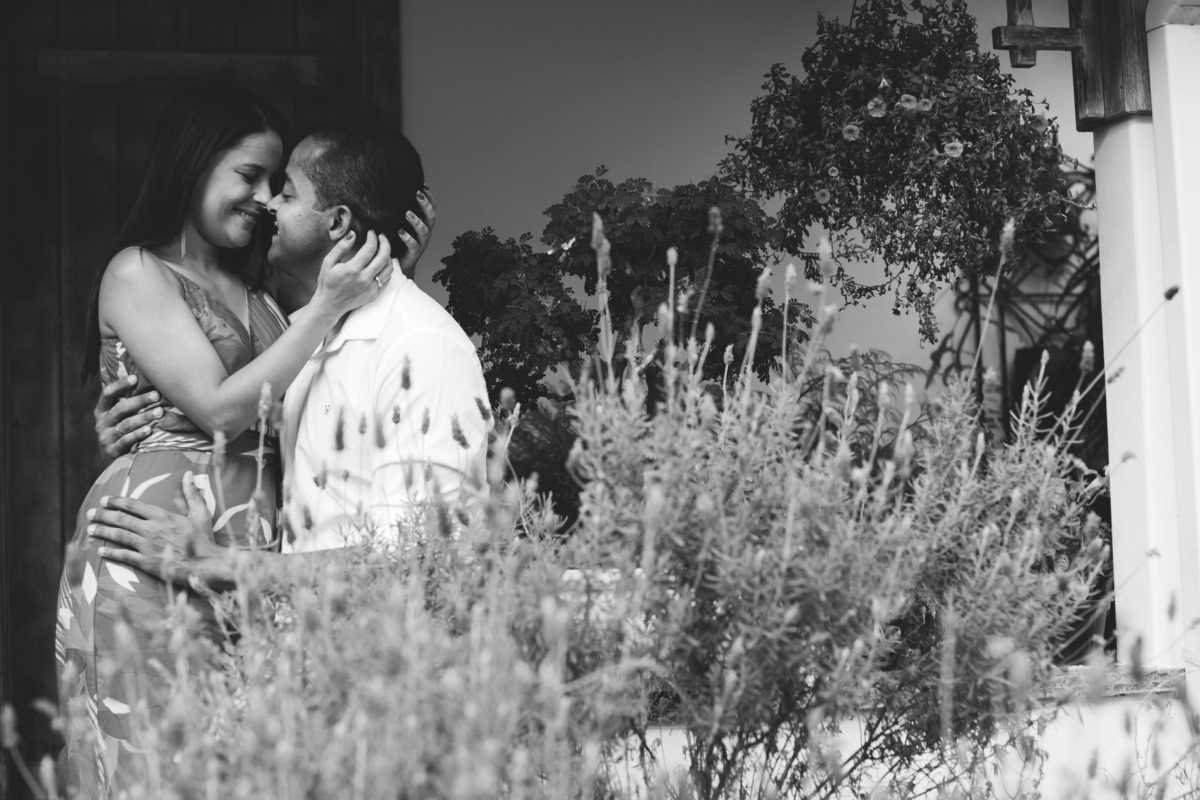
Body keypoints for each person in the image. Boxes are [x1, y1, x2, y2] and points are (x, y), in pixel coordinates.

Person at [55, 84, 405, 797]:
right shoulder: (136, 271)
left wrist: (385, 268)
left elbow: (325, 375)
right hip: (146, 549)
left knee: (234, 768)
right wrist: (330, 304)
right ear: (193, 164)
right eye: (249, 175)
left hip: (238, 559)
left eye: (277, 182)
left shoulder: (266, 289)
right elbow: (218, 411)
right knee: (150, 767)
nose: (265, 197)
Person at [85, 126, 492, 598]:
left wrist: (218, 563)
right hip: (228, 600)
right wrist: (144, 439)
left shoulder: (422, 346)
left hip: (330, 634)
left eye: (285, 190)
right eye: (255, 177)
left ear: (337, 223)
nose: (268, 204)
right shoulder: (303, 337)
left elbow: (425, 553)